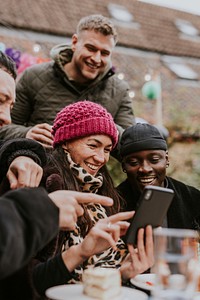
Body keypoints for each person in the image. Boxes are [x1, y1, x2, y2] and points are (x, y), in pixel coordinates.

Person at [31, 100, 154, 298]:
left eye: (106, 149)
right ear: (66, 142)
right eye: (93, 145)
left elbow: (92, 278)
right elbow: (28, 281)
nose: (101, 158)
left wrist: (123, 273)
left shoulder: (101, 188)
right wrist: (80, 252)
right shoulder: (44, 184)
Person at [0, 14, 134, 148]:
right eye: (91, 49)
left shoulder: (119, 90)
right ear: (75, 42)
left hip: (91, 168)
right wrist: (26, 134)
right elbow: (4, 126)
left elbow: (130, 144)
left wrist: (102, 125)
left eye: (104, 53)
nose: (96, 59)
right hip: (39, 166)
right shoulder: (33, 76)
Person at [117, 123, 200, 230]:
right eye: (134, 162)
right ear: (124, 166)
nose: (145, 169)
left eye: (154, 160)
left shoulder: (192, 198)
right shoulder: (113, 203)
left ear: (167, 160)